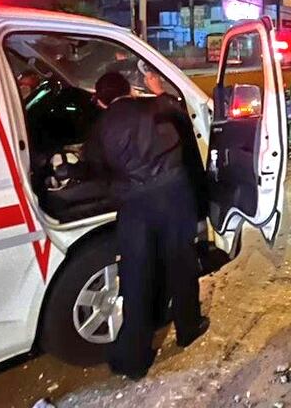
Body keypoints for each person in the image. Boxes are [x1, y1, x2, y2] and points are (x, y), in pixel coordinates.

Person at [85, 72, 209, 379]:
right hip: (174, 196)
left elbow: (95, 172)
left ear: (101, 102)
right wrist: (158, 90)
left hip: (134, 206)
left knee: (137, 275)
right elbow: (185, 113)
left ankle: (134, 359)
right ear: (129, 90)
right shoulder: (155, 107)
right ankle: (188, 328)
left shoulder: (99, 128)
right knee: (181, 263)